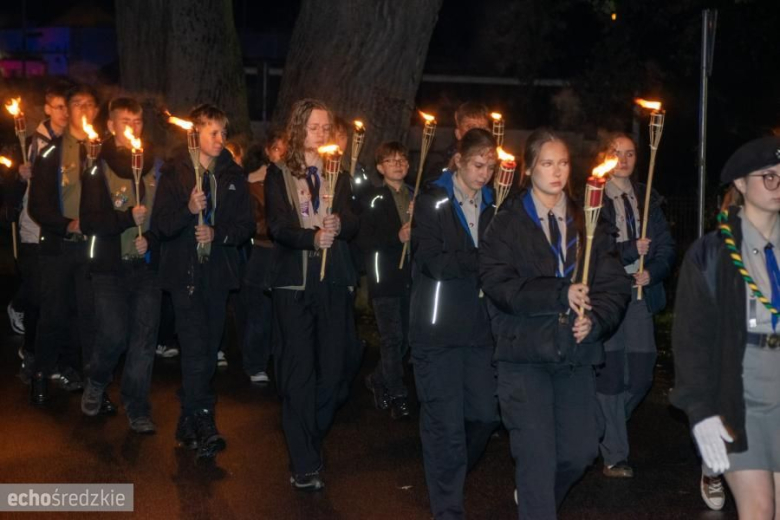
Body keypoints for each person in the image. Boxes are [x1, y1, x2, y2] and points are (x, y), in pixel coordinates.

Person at [479, 128, 631, 520]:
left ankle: (534, 497)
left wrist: (596, 320)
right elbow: (499, 284)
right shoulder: (506, 221)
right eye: (547, 163)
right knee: (536, 456)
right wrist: (558, 293)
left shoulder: (590, 220)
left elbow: (614, 285)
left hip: (575, 354)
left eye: (563, 163)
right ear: (529, 169)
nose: (557, 171)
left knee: (580, 451)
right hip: (524, 354)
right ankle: (536, 502)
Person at [671, 136, 780, 519]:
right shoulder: (712, 253)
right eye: (768, 176)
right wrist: (700, 410)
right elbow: (691, 341)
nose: (778, 185)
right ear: (740, 183)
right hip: (739, 393)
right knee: (758, 508)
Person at [264, 98, 361, 490]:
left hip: (333, 282)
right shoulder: (279, 174)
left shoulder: (339, 171)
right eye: (314, 127)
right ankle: (303, 460)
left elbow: (353, 222)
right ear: (298, 128)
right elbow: (277, 227)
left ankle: (310, 434)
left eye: (325, 127)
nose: (321, 133)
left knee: (336, 371)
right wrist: (311, 238)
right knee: (299, 373)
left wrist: (340, 224)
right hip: (295, 285)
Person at [153, 103, 254, 460]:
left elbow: (245, 226)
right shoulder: (174, 171)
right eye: (213, 131)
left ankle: (187, 418)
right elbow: (161, 225)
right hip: (185, 276)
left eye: (223, 131)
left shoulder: (232, 174)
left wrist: (217, 232)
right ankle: (205, 419)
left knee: (208, 351)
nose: (220, 138)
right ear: (195, 133)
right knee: (195, 349)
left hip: (217, 275)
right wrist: (188, 211)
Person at [410, 128, 500, 519]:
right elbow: (433, 260)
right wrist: (481, 259)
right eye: (478, 165)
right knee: (444, 424)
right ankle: (447, 508)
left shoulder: (495, 204)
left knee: (484, 416)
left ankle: (449, 469)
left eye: (490, 168)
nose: (485, 174)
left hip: (480, 330)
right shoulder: (433, 200)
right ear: (459, 161)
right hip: (438, 329)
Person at [78, 97, 161, 433]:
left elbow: (164, 217)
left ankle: (137, 407)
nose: (133, 128)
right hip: (109, 268)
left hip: (145, 267)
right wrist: (127, 218)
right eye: (125, 122)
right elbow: (90, 220)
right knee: (114, 334)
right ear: (111, 126)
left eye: (137, 121)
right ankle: (97, 379)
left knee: (144, 339)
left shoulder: (154, 165)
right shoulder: (97, 166)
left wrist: (150, 238)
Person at [596, 133, 675, 478]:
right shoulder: (594, 197)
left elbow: (666, 248)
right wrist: (629, 250)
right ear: (605, 156)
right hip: (609, 295)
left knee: (642, 374)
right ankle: (615, 454)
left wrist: (652, 272)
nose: (624, 160)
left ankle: (604, 424)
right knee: (612, 374)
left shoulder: (647, 199)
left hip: (640, 296)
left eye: (630, 153)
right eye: (617, 153)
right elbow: (592, 251)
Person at [28, 84, 101, 403]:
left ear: (96, 111)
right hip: (58, 246)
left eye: (89, 103)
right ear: (67, 110)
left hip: (92, 247)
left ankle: (91, 382)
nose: (84, 109)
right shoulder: (50, 154)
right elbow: (37, 205)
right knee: (54, 313)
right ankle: (41, 374)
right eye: (77, 103)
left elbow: (121, 195)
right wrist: (66, 223)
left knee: (89, 314)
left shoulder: (105, 152)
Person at [5, 83, 69, 382]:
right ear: (47, 109)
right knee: (38, 295)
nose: (64, 113)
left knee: (57, 298)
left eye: (68, 107)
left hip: (62, 230)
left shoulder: (76, 142)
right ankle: (31, 352)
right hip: (34, 230)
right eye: (59, 107)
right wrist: (19, 176)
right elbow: (11, 191)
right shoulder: (32, 144)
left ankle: (54, 357)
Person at [357, 141, 413, 420]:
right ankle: (397, 393)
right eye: (391, 160)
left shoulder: (416, 196)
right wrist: (396, 237)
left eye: (402, 159)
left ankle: (378, 378)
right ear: (380, 167)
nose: (398, 164)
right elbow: (365, 239)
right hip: (385, 276)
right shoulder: (374, 198)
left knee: (406, 339)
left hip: (411, 277)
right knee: (391, 338)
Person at [240, 133, 286, 384]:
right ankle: (255, 362)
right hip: (263, 252)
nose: (283, 154)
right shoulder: (254, 183)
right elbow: (255, 223)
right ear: (268, 151)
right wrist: (282, 227)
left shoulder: (289, 180)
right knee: (260, 312)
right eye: (277, 149)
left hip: (285, 253)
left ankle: (279, 360)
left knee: (282, 313)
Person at [423, 101, 490, 184]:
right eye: (471, 127)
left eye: (482, 128)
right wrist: (449, 171)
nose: (477, 133)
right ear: (458, 133)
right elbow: (430, 186)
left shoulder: (495, 165)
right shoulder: (442, 161)